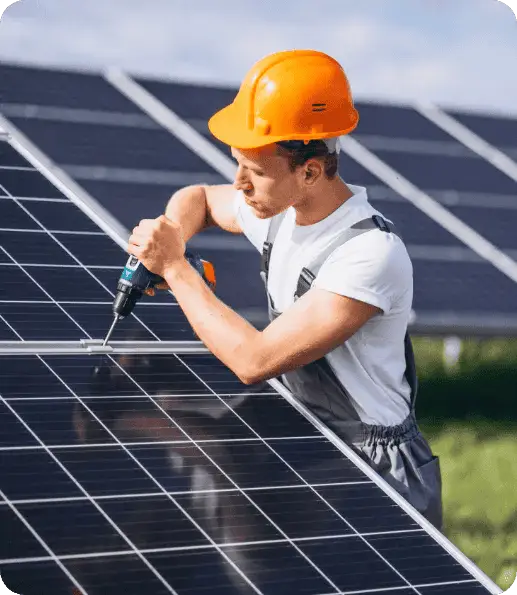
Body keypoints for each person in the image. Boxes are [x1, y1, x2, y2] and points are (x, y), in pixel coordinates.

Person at [127, 49, 443, 529]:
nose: (239, 185)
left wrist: (174, 266)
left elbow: (254, 361)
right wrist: (170, 229)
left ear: (310, 171)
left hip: (372, 465)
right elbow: (198, 199)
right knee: (179, 425)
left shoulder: (368, 254)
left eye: (252, 171)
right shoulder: (280, 212)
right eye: (236, 165)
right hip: (307, 429)